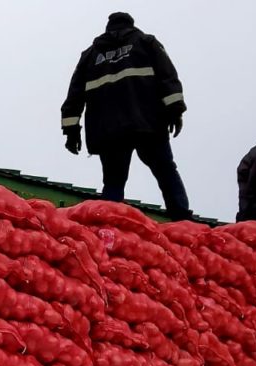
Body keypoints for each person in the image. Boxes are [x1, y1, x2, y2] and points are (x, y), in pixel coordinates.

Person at [61, 11, 193, 221]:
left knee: (113, 181)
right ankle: (181, 218)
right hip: (147, 123)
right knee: (165, 170)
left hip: (108, 131)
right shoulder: (146, 42)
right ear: (130, 25)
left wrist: (71, 130)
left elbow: (74, 95)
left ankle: (107, 223)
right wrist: (175, 110)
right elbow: (168, 76)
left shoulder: (90, 55)